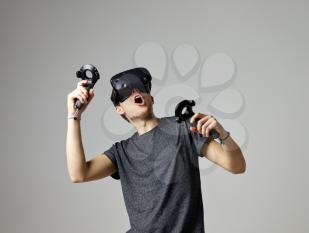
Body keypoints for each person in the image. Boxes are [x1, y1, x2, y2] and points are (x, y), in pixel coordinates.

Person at [66, 67, 246, 233]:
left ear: (151, 98)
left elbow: (237, 166)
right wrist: (74, 116)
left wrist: (223, 135)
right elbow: (79, 174)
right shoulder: (121, 152)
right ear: (119, 109)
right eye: (126, 92)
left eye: (139, 87)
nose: (135, 91)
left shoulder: (184, 129)